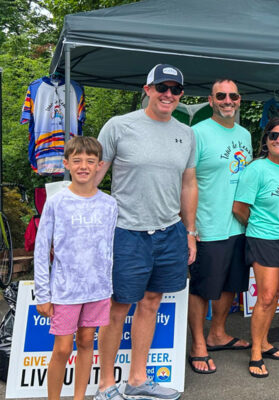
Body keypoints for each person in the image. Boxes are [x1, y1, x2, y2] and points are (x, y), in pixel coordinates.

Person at [94, 64, 197, 400]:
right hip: (126, 232)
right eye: (162, 87)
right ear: (147, 88)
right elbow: (92, 178)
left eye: (175, 89)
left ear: (181, 95)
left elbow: (188, 183)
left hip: (169, 232)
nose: (168, 94)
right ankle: (106, 385)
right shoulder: (119, 127)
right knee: (118, 307)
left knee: (151, 303)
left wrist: (190, 231)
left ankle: (137, 379)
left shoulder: (186, 133)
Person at [34, 137, 117, 400]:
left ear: (99, 165)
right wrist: (43, 294)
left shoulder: (109, 204)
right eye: (78, 160)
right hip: (65, 291)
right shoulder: (57, 202)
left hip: (97, 290)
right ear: (67, 163)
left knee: (85, 343)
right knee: (61, 348)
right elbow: (41, 248)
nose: (84, 166)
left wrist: (108, 288)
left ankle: (79, 397)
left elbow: (109, 249)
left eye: (90, 161)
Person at [187, 79, 252, 374]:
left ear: (239, 100)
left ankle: (218, 334)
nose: (228, 100)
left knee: (231, 284)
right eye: (221, 96)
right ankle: (198, 343)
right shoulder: (197, 134)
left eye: (233, 96)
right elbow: (186, 182)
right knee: (203, 287)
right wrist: (189, 226)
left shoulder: (245, 134)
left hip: (238, 224)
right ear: (211, 100)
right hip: (208, 224)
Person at [232, 117, 279, 378]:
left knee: (276, 295)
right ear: (266, 140)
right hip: (264, 239)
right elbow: (239, 207)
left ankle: (264, 342)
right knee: (266, 296)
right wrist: (261, 226)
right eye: (274, 136)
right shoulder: (256, 169)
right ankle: (255, 354)